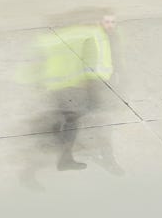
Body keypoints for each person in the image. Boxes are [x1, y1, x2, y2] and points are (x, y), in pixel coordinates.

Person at [35, 11, 122, 174]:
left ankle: (64, 148)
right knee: (98, 126)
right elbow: (88, 63)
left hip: (78, 88)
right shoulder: (92, 37)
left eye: (113, 22)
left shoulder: (102, 37)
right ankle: (107, 160)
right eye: (107, 21)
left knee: (75, 120)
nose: (110, 25)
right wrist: (92, 89)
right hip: (87, 88)